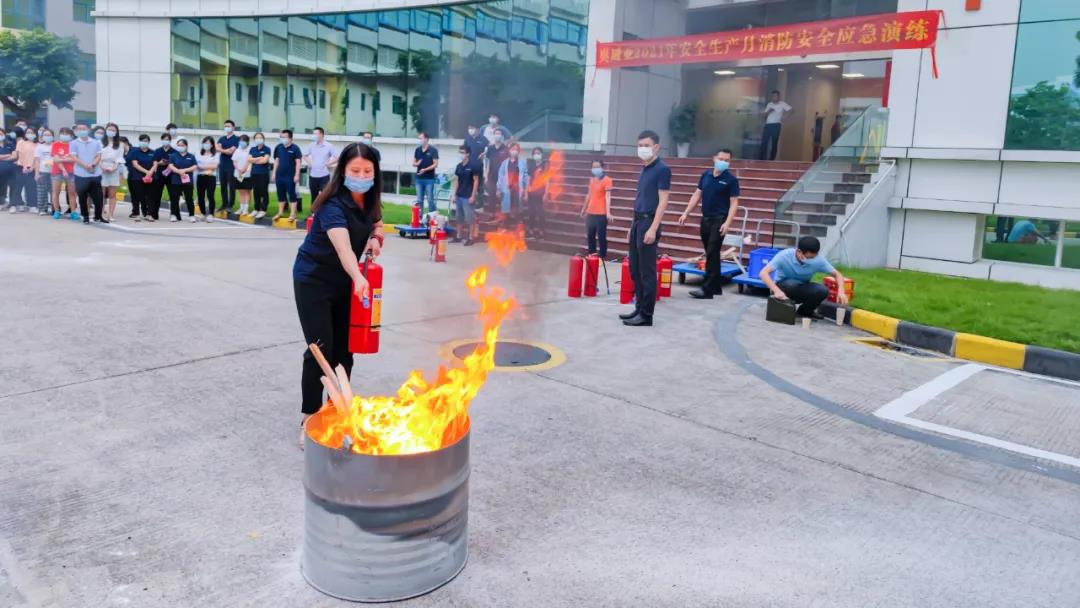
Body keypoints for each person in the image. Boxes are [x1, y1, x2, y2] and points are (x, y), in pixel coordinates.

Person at [292, 142, 385, 438]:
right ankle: (309, 418)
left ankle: (334, 412)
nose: (361, 175)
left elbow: (377, 223)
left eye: (367, 170)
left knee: (346, 350)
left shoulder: (369, 200)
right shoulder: (333, 204)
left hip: (346, 281)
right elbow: (344, 248)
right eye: (355, 170)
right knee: (320, 350)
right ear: (342, 171)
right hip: (314, 280)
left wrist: (375, 236)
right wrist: (359, 278)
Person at [620, 130, 671, 327]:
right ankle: (639, 308)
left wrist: (653, 228)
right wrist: (632, 226)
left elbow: (663, 201)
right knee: (634, 269)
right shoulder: (644, 168)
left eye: (646, 145)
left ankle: (646, 315)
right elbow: (640, 199)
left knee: (647, 272)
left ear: (656, 147)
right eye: (640, 145)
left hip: (649, 223)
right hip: (637, 223)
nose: (642, 149)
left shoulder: (662, 169)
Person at [677, 148, 741, 299]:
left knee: (712, 252)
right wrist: (686, 212)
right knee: (711, 253)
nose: (723, 162)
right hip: (705, 218)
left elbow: (734, 203)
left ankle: (707, 289)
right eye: (721, 159)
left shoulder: (731, 180)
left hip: (719, 220)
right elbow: (697, 194)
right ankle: (716, 286)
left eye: (727, 160)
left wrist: (727, 223)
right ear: (714, 158)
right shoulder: (705, 175)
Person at [759, 236, 848, 319]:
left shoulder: (818, 260)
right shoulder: (784, 256)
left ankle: (805, 311)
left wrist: (841, 291)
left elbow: (838, 275)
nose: (810, 260)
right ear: (799, 252)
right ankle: (784, 306)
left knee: (822, 290)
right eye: (808, 258)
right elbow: (763, 273)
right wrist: (776, 290)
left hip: (802, 286)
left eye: (813, 257)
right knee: (791, 284)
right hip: (783, 287)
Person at [70, 123, 106, 224]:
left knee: (98, 197)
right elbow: (74, 157)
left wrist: (93, 165)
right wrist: (85, 165)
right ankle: (85, 216)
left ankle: (98, 216)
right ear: (76, 131)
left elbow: (99, 155)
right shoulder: (74, 143)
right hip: (81, 174)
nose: (82, 130)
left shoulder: (96, 142)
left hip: (95, 173)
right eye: (79, 129)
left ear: (88, 130)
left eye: (84, 128)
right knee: (82, 196)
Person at [580, 159, 613, 259]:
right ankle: (592, 256)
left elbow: (608, 197)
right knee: (590, 235)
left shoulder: (607, 180)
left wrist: (608, 212)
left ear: (602, 167)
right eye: (593, 167)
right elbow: (589, 195)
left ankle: (603, 257)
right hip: (591, 212)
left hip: (601, 213)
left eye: (597, 166)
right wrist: (583, 209)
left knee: (601, 236)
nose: (595, 169)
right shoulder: (592, 180)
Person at [450, 144, 478, 246]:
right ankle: (458, 236)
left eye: (462, 152)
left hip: (468, 196)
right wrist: (454, 195)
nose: (460, 154)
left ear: (468, 154)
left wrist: (473, 196)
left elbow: (476, 181)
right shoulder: (459, 166)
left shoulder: (473, 166)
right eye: (459, 152)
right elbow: (457, 181)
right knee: (459, 217)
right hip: (459, 196)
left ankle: (471, 238)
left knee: (469, 218)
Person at [272, 129, 302, 221]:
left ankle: (293, 214)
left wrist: (297, 175)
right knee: (280, 194)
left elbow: (298, 162)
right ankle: (280, 212)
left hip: (290, 176)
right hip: (279, 175)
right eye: (281, 137)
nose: (282, 139)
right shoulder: (278, 147)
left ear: (290, 138)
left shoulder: (295, 148)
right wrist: (274, 173)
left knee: (291, 194)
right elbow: (276, 161)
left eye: (285, 137)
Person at [166, 137, 198, 222]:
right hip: (176, 180)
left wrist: (185, 170)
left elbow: (194, 166)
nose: (180, 147)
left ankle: (191, 215)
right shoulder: (173, 155)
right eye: (179, 145)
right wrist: (179, 171)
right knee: (174, 198)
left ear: (186, 146)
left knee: (189, 198)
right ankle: (173, 215)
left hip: (187, 180)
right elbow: (170, 165)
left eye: (182, 145)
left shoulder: (191, 156)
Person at [305, 126, 338, 204]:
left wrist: (329, 163)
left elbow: (337, 157)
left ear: (321, 135)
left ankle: (325, 212)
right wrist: (310, 163)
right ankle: (314, 213)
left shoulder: (329, 146)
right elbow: (304, 155)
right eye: (313, 134)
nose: (314, 135)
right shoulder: (311, 145)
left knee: (325, 195)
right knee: (314, 195)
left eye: (315, 134)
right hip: (313, 175)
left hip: (324, 176)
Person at [99, 123, 125, 222]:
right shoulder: (100, 143)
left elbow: (120, 158)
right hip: (101, 168)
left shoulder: (120, 144)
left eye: (113, 130)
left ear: (117, 132)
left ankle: (111, 215)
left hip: (114, 168)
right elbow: (98, 156)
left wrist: (114, 167)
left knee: (112, 194)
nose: (111, 131)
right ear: (106, 131)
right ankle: (100, 213)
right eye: (109, 129)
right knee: (101, 193)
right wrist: (101, 166)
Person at [127, 134, 155, 221]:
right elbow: (135, 164)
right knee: (138, 195)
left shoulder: (153, 152)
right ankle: (137, 213)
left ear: (149, 142)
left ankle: (148, 214)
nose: (144, 142)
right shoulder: (135, 152)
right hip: (137, 177)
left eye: (146, 141)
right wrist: (147, 172)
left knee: (150, 196)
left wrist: (150, 172)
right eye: (142, 141)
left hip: (149, 177)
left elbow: (155, 164)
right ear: (139, 141)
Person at [50, 127, 77, 219]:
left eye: (67, 134)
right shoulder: (55, 144)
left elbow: (74, 158)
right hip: (57, 171)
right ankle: (57, 211)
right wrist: (64, 168)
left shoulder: (74, 145)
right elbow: (56, 159)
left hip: (72, 171)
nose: (64, 135)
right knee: (56, 192)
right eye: (63, 133)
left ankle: (73, 212)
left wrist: (62, 159)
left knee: (72, 192)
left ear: (71, 135)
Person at [497, 142, 528, 220]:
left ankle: (518, 226)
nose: (515, 151)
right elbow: (500, 176)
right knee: (506, 208)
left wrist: (525, 190)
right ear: (509, 150)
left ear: (519, 151)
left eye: (516, 149)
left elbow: (525, 177)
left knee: (517, 209)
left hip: (518, 189)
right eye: (513, 149)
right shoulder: (505, 163)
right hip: (507, 189)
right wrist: (499, 189)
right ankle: (506, 225)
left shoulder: (522, 163)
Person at [760, 90, 791, 161]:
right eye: (773, 96)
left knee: (774, 143)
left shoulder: (782, 104)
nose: (774, 97)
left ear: (778, 96)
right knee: (764, 142)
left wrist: (785, 117)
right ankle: (762, 160)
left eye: (775, 96)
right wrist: (768, 111)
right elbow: (764, 114)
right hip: (767, 125)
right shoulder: (769, 104)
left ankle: (771, 160)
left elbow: (791, 110)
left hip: (776, 125)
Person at [525, 147, 549, 238]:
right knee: (531, 213)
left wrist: (546, 193)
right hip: (531, 193)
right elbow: (528, 179)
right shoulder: (531, 165)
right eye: (535, 153)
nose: (537, 155)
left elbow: (547, 180)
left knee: (541, 213)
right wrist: (526, 192)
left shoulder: (545, 165)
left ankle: (541, 232)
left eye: (538, 153)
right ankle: (531, 230)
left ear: (542, 154)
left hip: (541, 193)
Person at [412, 132, 439, 214]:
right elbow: (414, 163)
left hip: (429, 179)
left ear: (426, 139)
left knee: (430, 199)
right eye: (419, 139)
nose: (419, 140)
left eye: (421, 138)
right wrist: (417, 163)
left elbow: (435, 164)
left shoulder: (433, 150)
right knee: (419, 200)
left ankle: (432, 217)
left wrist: (425, 169)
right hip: (419, 179)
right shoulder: (417, 150)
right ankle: (419, 218)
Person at [13, 127, 38, 213]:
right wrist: (24, 166)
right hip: (21, 167)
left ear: (35, 134)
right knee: (18, 187)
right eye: (28, 132)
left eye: (32, 132)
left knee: (31, 188)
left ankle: (32, 205)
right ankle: (18, 204)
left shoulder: (37, 144)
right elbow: (20, 155)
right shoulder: (21, 142)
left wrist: (32, 167)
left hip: (33, 168)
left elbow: (37, 158)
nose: (30, 134)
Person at [217, 119, 239, 214]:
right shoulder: (222, 138)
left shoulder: (236, 139)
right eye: (225, 126)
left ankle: (230, 204)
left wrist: (223, 150)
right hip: (222, 165)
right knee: (223, 186)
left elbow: (232, 151)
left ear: (233, 127)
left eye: (228, 126)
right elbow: (217, 148)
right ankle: (224, 203)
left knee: (232, 186)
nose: (227, 128)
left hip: (231, 165)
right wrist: (226, 151)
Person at [196, 136, 219, 221]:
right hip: (201, 177)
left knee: (210, 195)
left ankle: (211, 214)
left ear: (212, 145)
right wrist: (207, 166)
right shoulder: (198, 153)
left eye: (208, 143)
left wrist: (202, 166)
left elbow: (215, 166)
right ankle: (202, 213)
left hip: (211, 177)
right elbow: (197, 166)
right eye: (205, 143)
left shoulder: (215, 154)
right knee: (200, 196)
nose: (206, 145)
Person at [484, 128, 509, 210]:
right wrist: (486, 175)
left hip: (502, 178)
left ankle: (503, 216)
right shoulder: (490, 148)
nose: (497, 135)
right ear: (494, 136)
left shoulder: (505, 149)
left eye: (499, 134)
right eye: (496, 133)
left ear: (502, 136)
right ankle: (492, 214)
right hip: (492, 176)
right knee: (492, 196)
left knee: (502, 196)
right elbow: (487, 162)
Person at [151, 133, 173, 221]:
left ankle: (174, 214)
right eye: (164, 139)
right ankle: (154, 214)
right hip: (159, 175)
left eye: (167, 139)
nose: (166, 141)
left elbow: (176, 162)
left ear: (170, 141)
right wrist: (160, 163)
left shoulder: (174, 151)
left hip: (170, 175)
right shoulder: (157, 151)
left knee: (173, 195)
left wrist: (169, 163)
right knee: (156, 195)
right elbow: (154, 162)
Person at [249, 132, 271, 218]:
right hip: (254, 173)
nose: (258, 139)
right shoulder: (252, 149)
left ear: (263, 139)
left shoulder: (267, 149)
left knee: (263, 191)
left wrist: (254, 159)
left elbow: (265, 160)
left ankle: (263, 209)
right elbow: (249, 159)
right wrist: (259, 158)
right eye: (257, 138)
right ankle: (256, 209)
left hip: (263, 173)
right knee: (256, 191)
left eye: (260, 137)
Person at [232, 134, 254, 216]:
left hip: (247, 173)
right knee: (241, 191)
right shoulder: (238, 149)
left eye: (243, 141)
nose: (241, 143)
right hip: (238, 174)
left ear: (247, 142)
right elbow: (234, 161)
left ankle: (246, 209)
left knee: (247, 191)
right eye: (240, 141)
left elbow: (249, 161)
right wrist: (238, 169)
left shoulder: (250, 150)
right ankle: (241, 208)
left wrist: (244, 169)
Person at [34, 127, 54, 215]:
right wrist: (36, 173)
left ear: (53, 136)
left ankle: (55, 209)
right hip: (43, 171)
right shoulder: (39, 147)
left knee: (54, 191)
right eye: (45, 135)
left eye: (49, 135)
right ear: (42, 137)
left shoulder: (55, 145)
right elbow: (37, 161)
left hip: (54, 172)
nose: (47, 136)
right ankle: (42, 209)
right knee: (42, 192)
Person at [0, 127, 15, 210]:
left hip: (10, 170)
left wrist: (2, 157)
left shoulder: (10, 144)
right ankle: (2, 202)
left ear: (4, 135)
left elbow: (14, 156)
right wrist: (7, 155)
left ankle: (12, 203)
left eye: (1, 134)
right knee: (1, 187)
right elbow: (11, 155)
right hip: (0, 171)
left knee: (12, 186)